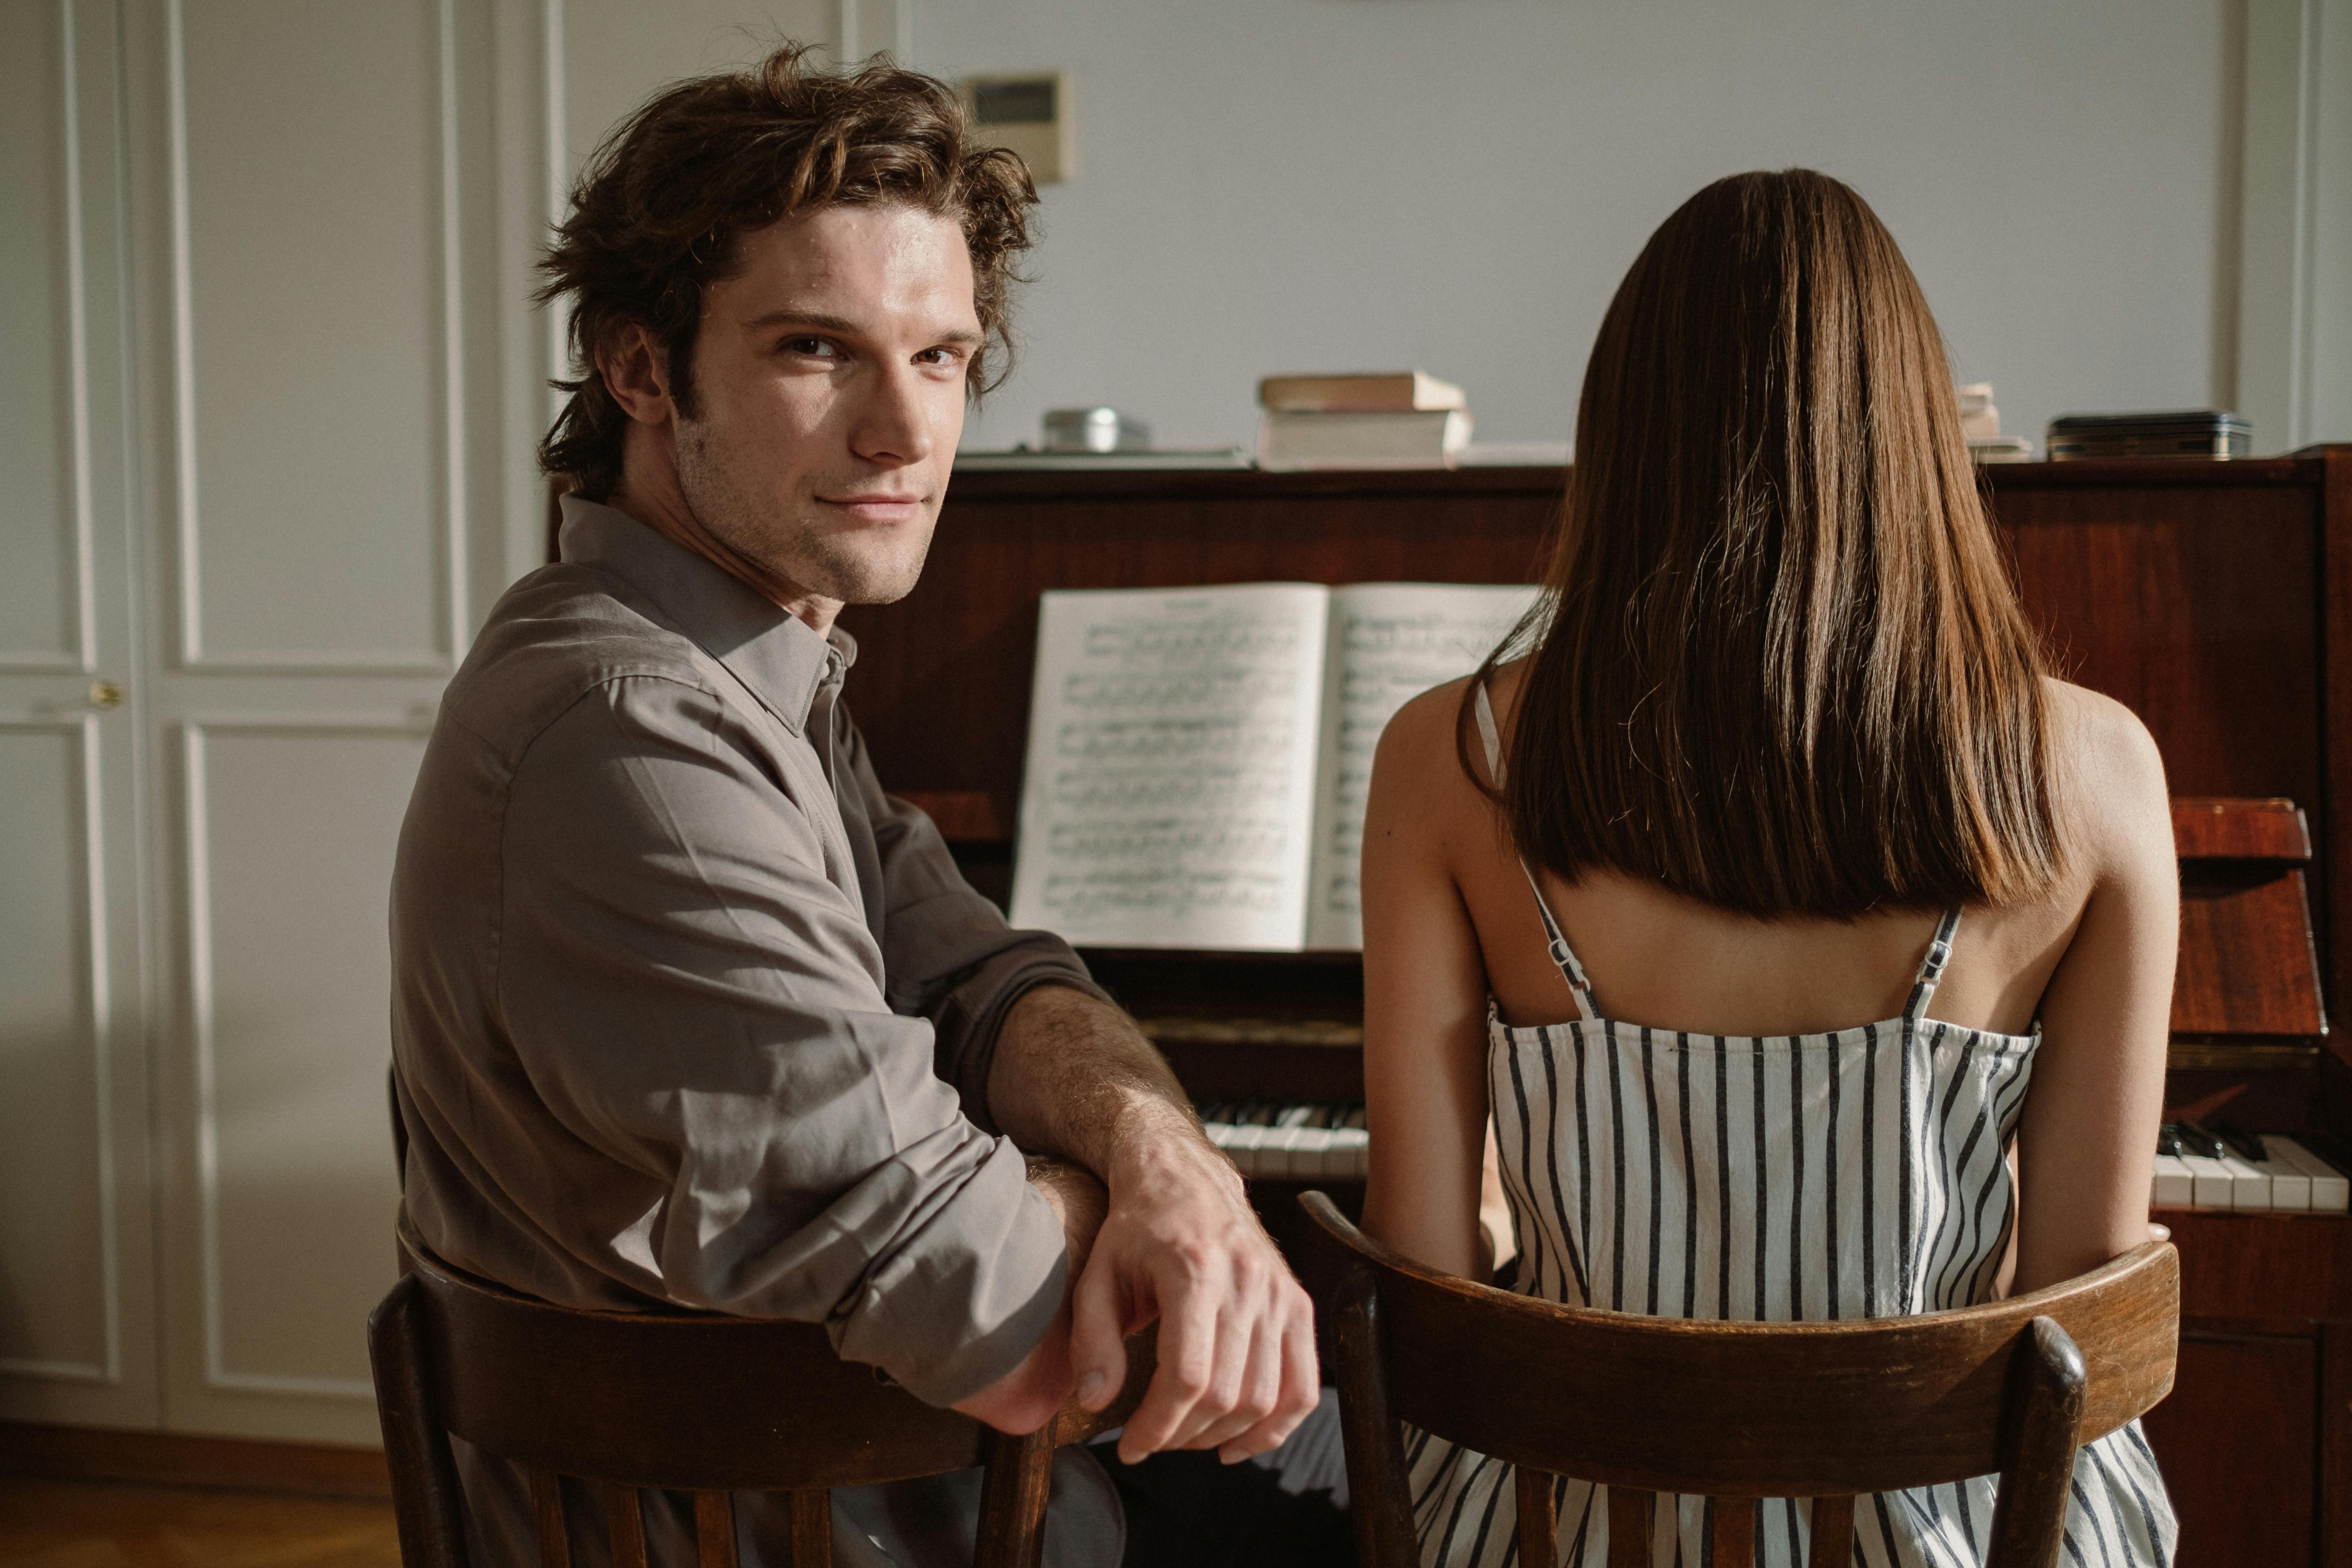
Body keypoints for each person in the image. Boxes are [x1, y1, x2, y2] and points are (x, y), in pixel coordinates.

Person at [389, 46, 1344, 1568]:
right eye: (817, 350)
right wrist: (1165, 1213)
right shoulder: (632, 737)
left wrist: (1170, 1165)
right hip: (803, 1530)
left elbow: (982, 972)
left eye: (944, 357)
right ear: (641, 370)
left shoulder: (756, 669)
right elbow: (1009, 1319)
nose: (907, 431)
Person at [1358, 169, 2177, 1567]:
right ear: (1917, 434)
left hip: (1563, 1524)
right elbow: (2076, 1315)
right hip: (1961, 1531)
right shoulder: (2096, 771)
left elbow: (1425, 1283)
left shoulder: (1452, 758)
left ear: (1623, 432)